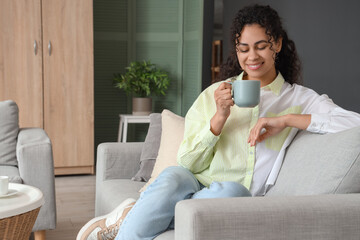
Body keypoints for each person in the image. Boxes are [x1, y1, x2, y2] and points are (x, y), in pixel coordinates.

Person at [78, 4, 360, 240]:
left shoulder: (298, 98)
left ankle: (135, 214)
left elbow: (352, 122)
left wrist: (286, 119)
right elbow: (186, 163)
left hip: (233, 194)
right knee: (174, 176)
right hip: (195, 182)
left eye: (261, 46)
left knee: (232, 190)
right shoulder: (215, 93)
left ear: (277, 45)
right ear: (236, 50)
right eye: (243, 48)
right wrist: (219, 118)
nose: (252, 57)